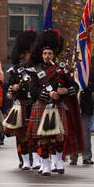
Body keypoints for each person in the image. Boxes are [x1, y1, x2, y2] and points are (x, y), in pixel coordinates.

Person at [28, 30, 75, 176]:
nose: (47, 56)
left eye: (49, 53)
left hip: (58, 106)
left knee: (60, 135)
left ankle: (58, 161)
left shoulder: (62, 69)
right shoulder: (36, 71)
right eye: (45, 53)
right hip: (42, 105)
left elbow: (75, 87)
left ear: (53, 54)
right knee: (44, 138)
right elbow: (33, 91)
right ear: (41, 55)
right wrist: (49, 93)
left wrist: (65, 91)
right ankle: (45, 164)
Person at [3, 30, 38, 170]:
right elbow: (9, 88)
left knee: (34, 133)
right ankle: (23, 159)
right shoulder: (15, 70)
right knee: (21, 133)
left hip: (33, 103)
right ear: (22, 55)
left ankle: (34, 158)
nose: (28, 56)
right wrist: (13, 88)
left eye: (30, 53)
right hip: (21, 103)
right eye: (26, 54)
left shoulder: (37, 69)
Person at [77, 70, 94, 165]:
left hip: (85, 107)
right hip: (72, 106)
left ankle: (86, 157)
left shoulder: (89, 72)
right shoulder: (68, 70)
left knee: (85, 133)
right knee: (73, 132)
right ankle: (73, 156)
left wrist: (87, 84)